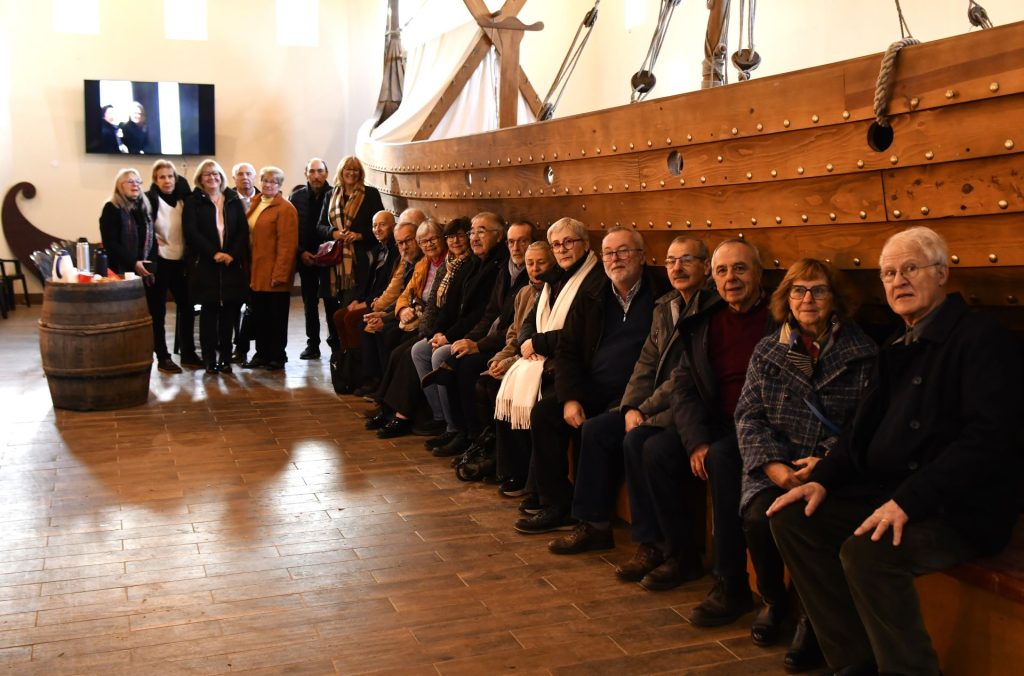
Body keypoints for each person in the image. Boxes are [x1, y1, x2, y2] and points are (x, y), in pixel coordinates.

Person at [767, 227, 1023, 675]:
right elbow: (859, 431)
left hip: (955, 506)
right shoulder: (897, 343)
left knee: (869, 555)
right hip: (892, 492)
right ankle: (855, 662)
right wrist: (823, 479)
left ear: (942, 273)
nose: (898, 281)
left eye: (910, 269)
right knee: (794, 519)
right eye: (888, 273)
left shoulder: (980, 337)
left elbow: (987, 441)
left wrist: (909, 500)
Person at [734, 259, 877, 669]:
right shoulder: (768, 349)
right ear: (786, 298)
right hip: (776, 464)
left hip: (828, 468)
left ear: (835, 298)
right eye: (798, 290)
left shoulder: (864, 353)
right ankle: (773, 599)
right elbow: (748, 416)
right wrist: (773, 466)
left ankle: (810, 620)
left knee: (808, 519)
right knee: (759, 517)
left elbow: (864, 425)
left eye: (818, 290)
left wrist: (825, 460)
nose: (807, 299)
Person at [547, 237, 710, 559]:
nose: (677, 268)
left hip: (684, 408)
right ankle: (594, 525)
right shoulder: (667, 305)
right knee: (595, 429)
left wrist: (642, 410)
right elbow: (645, 364)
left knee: (639, 441)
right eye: (672, 261)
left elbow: (685, 375)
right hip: (645, 402)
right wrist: (631, 407)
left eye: (687, 260)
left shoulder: (708, 309)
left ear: (706, 267)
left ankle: (653, 545)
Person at [514, 226, 666, 534]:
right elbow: (568, 350)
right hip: (594, 386)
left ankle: (593, 523)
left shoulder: (661, 295)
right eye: (609, 253)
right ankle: (557, 505)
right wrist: (570, 397)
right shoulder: (595, 294)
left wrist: (635, 403)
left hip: (635, 390)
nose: (615, 259)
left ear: (642, 256)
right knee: (546, 412)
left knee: (595, 428)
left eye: (623, 251)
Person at [670, 239, 775, 621]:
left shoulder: (781, 318)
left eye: (740, 269)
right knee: (655, 449)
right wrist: (695, 441)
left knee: (723, 459)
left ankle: (731, 584)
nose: (731, 278)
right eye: (722, 271)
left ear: (759, 274)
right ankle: (676, 556)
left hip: (767, 429)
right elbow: (683, 388)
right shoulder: (705, 322)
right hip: (718, 425)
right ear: (712, 279)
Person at [492, 217, 603, 506]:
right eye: (557, 244)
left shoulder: (594, 280)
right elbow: (529, 320)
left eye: (568, 242)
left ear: (585, 244)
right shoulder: (555, 278)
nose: (562, 249)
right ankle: (520, 477)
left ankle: (549, 497)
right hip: (550, 358)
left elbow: (580, 334)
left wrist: (539, 343)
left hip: (579, 366)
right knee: (505, 387)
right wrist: (527, 342)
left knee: (543, 410)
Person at [427, 219, 534, 460]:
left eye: (523, 241)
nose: (516, 248)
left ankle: (475, 438)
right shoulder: (506, 269)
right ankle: (460, 431)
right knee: (452, 356)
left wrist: (477, 345)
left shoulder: (529, 275)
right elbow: (489, 314)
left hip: (508, 346)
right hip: (491, 338)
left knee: (465, 365)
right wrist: (467, 339)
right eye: (512, 242)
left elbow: (513, 329)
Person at [412, 212, 509, 456]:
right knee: (419, 350)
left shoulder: (497, 266)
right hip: (464, 331)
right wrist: (439, 332)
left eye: (481, 232)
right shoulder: (472, 263)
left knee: (442, 356)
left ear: (499, 236)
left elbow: (482, 314)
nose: (474, 237)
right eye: (472, 232)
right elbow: (451, 305)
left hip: (483, 336)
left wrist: (455, 338)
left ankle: (460, 430)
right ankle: (444, 420)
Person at [372, 218, 471, 439]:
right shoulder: (426, 263)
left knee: (408, 352)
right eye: (423, 241)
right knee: (391, 342)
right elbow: (407, 294)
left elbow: (447, 309)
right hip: (424, 320)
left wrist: (429, 333)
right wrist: (400, 310)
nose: (429, 244)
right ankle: (388, 408)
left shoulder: (456, 264)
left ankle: (403, 415)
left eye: (433, 239)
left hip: (436, 326)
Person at [489, 241, 555, 491]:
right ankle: (506, 467)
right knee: (486, 384)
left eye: (541, 263)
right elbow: (515, 334)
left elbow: (539, 341)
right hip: (520, 356)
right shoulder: (524, 293)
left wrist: (510, 362)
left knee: (515, 393)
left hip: (539, 360)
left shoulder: (553, 292)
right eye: (530, 263)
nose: (535, 269)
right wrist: (500, 358)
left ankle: (523, 472)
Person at [182, 159, 249, 374]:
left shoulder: (232, 200)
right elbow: (191, 233)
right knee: (209, 315)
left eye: (215, 174)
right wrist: (213, 253)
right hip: (206, 265)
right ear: (200, 179)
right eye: (207, 175)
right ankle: (209, 359)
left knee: (229, 315)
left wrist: (231, 254)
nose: (212, 178)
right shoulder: (193, 202)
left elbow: (242, 232)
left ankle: (226, 358)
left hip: (230, 266)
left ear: (221, 177)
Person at [317, 156, 385, 363]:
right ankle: (337, 351)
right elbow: (320, 226)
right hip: (333, 265)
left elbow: (379, 228)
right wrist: (334, 233)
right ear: (341, 171)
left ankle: (351, 354)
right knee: (332, 310)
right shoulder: (331, 194)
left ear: (360, 173)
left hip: (359, 264)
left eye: (355, 170)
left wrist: (359, 235)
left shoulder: (370, 194)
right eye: (348, 169)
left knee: (348, 309)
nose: (351, 173)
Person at [98, 168, 168, 368]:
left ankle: (163, 356)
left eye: (138, 181)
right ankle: (127, 359)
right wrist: (133, 263)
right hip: (122, 273)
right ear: (119, 186)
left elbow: (152, 240)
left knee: (157, 315)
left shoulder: (144, 208)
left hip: (147, 272)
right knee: (125, 318)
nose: (135, 185)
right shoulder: (111, 209)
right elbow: (111, 244)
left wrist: (149, 264)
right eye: (130, 181)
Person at [357, 209, 426, 395]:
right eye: (400, 243)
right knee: (367, 324)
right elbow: (399, 291)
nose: (404, 246)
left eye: (408, 240)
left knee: (384, 332)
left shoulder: (423, 261)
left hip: (418, 316)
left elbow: (413, 298)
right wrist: (384, 311)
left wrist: (385, 314)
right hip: (402, 310)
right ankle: (374, 381)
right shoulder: (404, 258)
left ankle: (384, 391)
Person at [330, 210, 397, 392]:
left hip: (379, 302)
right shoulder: (377, 250)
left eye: (382, 225)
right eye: (374, 226)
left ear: (393, 226)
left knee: (353, 319)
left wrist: (364, 304)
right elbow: (366, 282)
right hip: (367, 298)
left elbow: (386, 287)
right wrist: (357, 300)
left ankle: (366, 375)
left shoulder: (395, 251)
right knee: (338, 315)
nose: (377, 229)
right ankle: (349, 367)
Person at [147, 160, 202, 371]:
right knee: (158, 312)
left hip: (180, 262)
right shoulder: (149, 200)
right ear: (155, 180)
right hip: (159, 263)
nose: (167, 181)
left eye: (170, 176)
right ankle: (163, 356)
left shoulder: (183, 201)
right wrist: (152, 238)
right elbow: (142, 226)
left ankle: (188, 353)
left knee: (187, 306)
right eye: (162, 177)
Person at [242, 166, 299, 371]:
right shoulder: (256, 202)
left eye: (273, 182)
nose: (268, 184)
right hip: (256, 271)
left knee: (276, 317)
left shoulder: (285, 208)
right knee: (260, 316)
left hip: (275, 272)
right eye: (265, 180)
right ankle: (261, 354)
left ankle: (277, 356)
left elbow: (287, 245)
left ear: (280, 185)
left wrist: (280, 274)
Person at [290, 158, 332, 360]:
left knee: (331, 302)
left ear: (327, 173)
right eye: (312, 171)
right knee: (309, 303)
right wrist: (301, 253)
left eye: (320, 171)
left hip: (330, 258)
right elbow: (291, 230)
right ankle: (312, 344)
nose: (316, 176)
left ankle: (335, 344)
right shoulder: (296, 197)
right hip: (305, 257)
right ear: (306, 174)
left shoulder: (335, 194)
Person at [229, 162, 259, 362]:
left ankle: (254, 348)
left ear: (254, 177)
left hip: (258, 261)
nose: (245, 177)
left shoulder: (263, 198)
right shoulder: (228, 200)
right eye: (240, 174)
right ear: (234, 179)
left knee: (255, 306)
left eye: (248, 173)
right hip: (236, 260)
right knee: (234, 306)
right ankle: (238, 348)